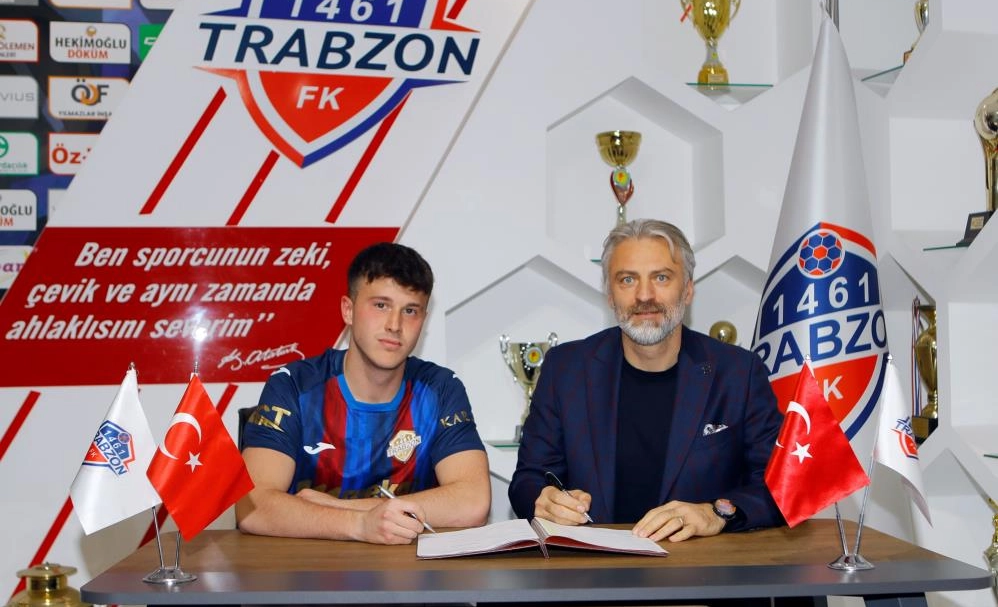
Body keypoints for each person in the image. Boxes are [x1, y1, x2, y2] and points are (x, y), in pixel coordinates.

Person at [508, 219, 784, 542]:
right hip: (594, 568)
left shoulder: (739, 373)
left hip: (701, 569)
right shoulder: (565, 370)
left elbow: (780, 487)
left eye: (661, 277)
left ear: (688, 289)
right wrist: (545, 500)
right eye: (627, 279)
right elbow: (528, 480)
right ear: (610, 295)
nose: (644, 295)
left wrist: (716, 512)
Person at [237, 242, 491, 544]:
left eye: (410, 310)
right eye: (381, 305)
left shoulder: (440, 388)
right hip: (307, 569)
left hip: (407, 571)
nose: (395, 325)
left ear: (423, 320)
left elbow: (473, 502)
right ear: (348, 310)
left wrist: (346, 510)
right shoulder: (294, 385)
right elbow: (252, 507)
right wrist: (359, 525)